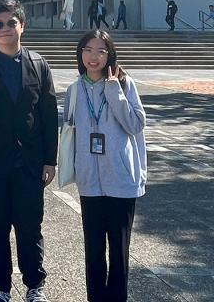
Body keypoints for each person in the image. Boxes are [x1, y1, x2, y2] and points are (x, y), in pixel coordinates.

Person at [0, 0, 57, 302]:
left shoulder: (39, 64)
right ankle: (0, 287)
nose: (6, 29)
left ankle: (34, 286)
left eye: (11, 23)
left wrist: (49, 160)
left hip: (29, 163)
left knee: (30, 227)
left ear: (22, 26)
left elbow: (48, 115)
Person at [65, 30, 147, 302]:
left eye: (101, 51)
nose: (94, 56)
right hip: (90, 181)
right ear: (80, 53)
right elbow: (70, 131)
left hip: (121, 179)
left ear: (110, 55)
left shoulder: (124, 84)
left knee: (120, 252)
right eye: (88, 50)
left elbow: (135, 125)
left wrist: (114, 92)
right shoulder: (74, 90)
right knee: (93, 250)